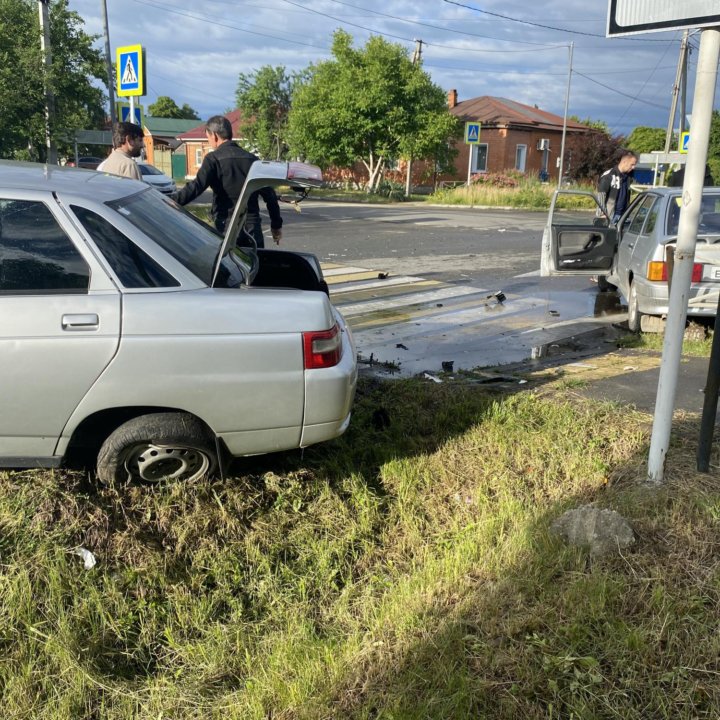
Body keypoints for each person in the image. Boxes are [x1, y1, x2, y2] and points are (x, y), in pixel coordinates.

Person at [171, 115, 282, 246]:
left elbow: (196, 187)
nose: (209, 142)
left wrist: (170, 201)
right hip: (252, 227)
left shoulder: (213, 159)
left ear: (214, 135)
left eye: (208, 138)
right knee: (255, 264)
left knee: (227, 264)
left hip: (225, 227)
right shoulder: (253, 160)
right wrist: (276, 225)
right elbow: (270, 196)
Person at [596, 149, 638, 225]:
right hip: (608, 216)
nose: (633, 167)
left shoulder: (628, 177)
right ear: (624, 162)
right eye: (632, 164)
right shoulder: (609, 175)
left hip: (622, 216)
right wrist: (602, 214)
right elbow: (601, 195)